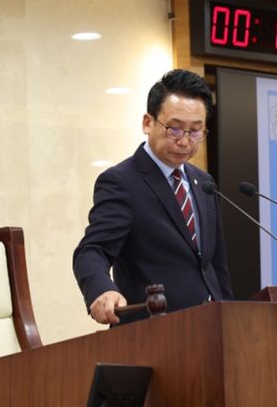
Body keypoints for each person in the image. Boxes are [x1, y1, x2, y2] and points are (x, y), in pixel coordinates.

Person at [73, 69, 234, 325]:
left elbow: (216, 265)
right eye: (175, 129)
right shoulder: (122, 182)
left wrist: (231, 318)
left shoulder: (204, 182)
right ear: (148, 123)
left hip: (211, 328)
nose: (185, 141)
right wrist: (102, 290)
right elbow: (93, 250)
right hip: (154, 330)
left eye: (195, 131)